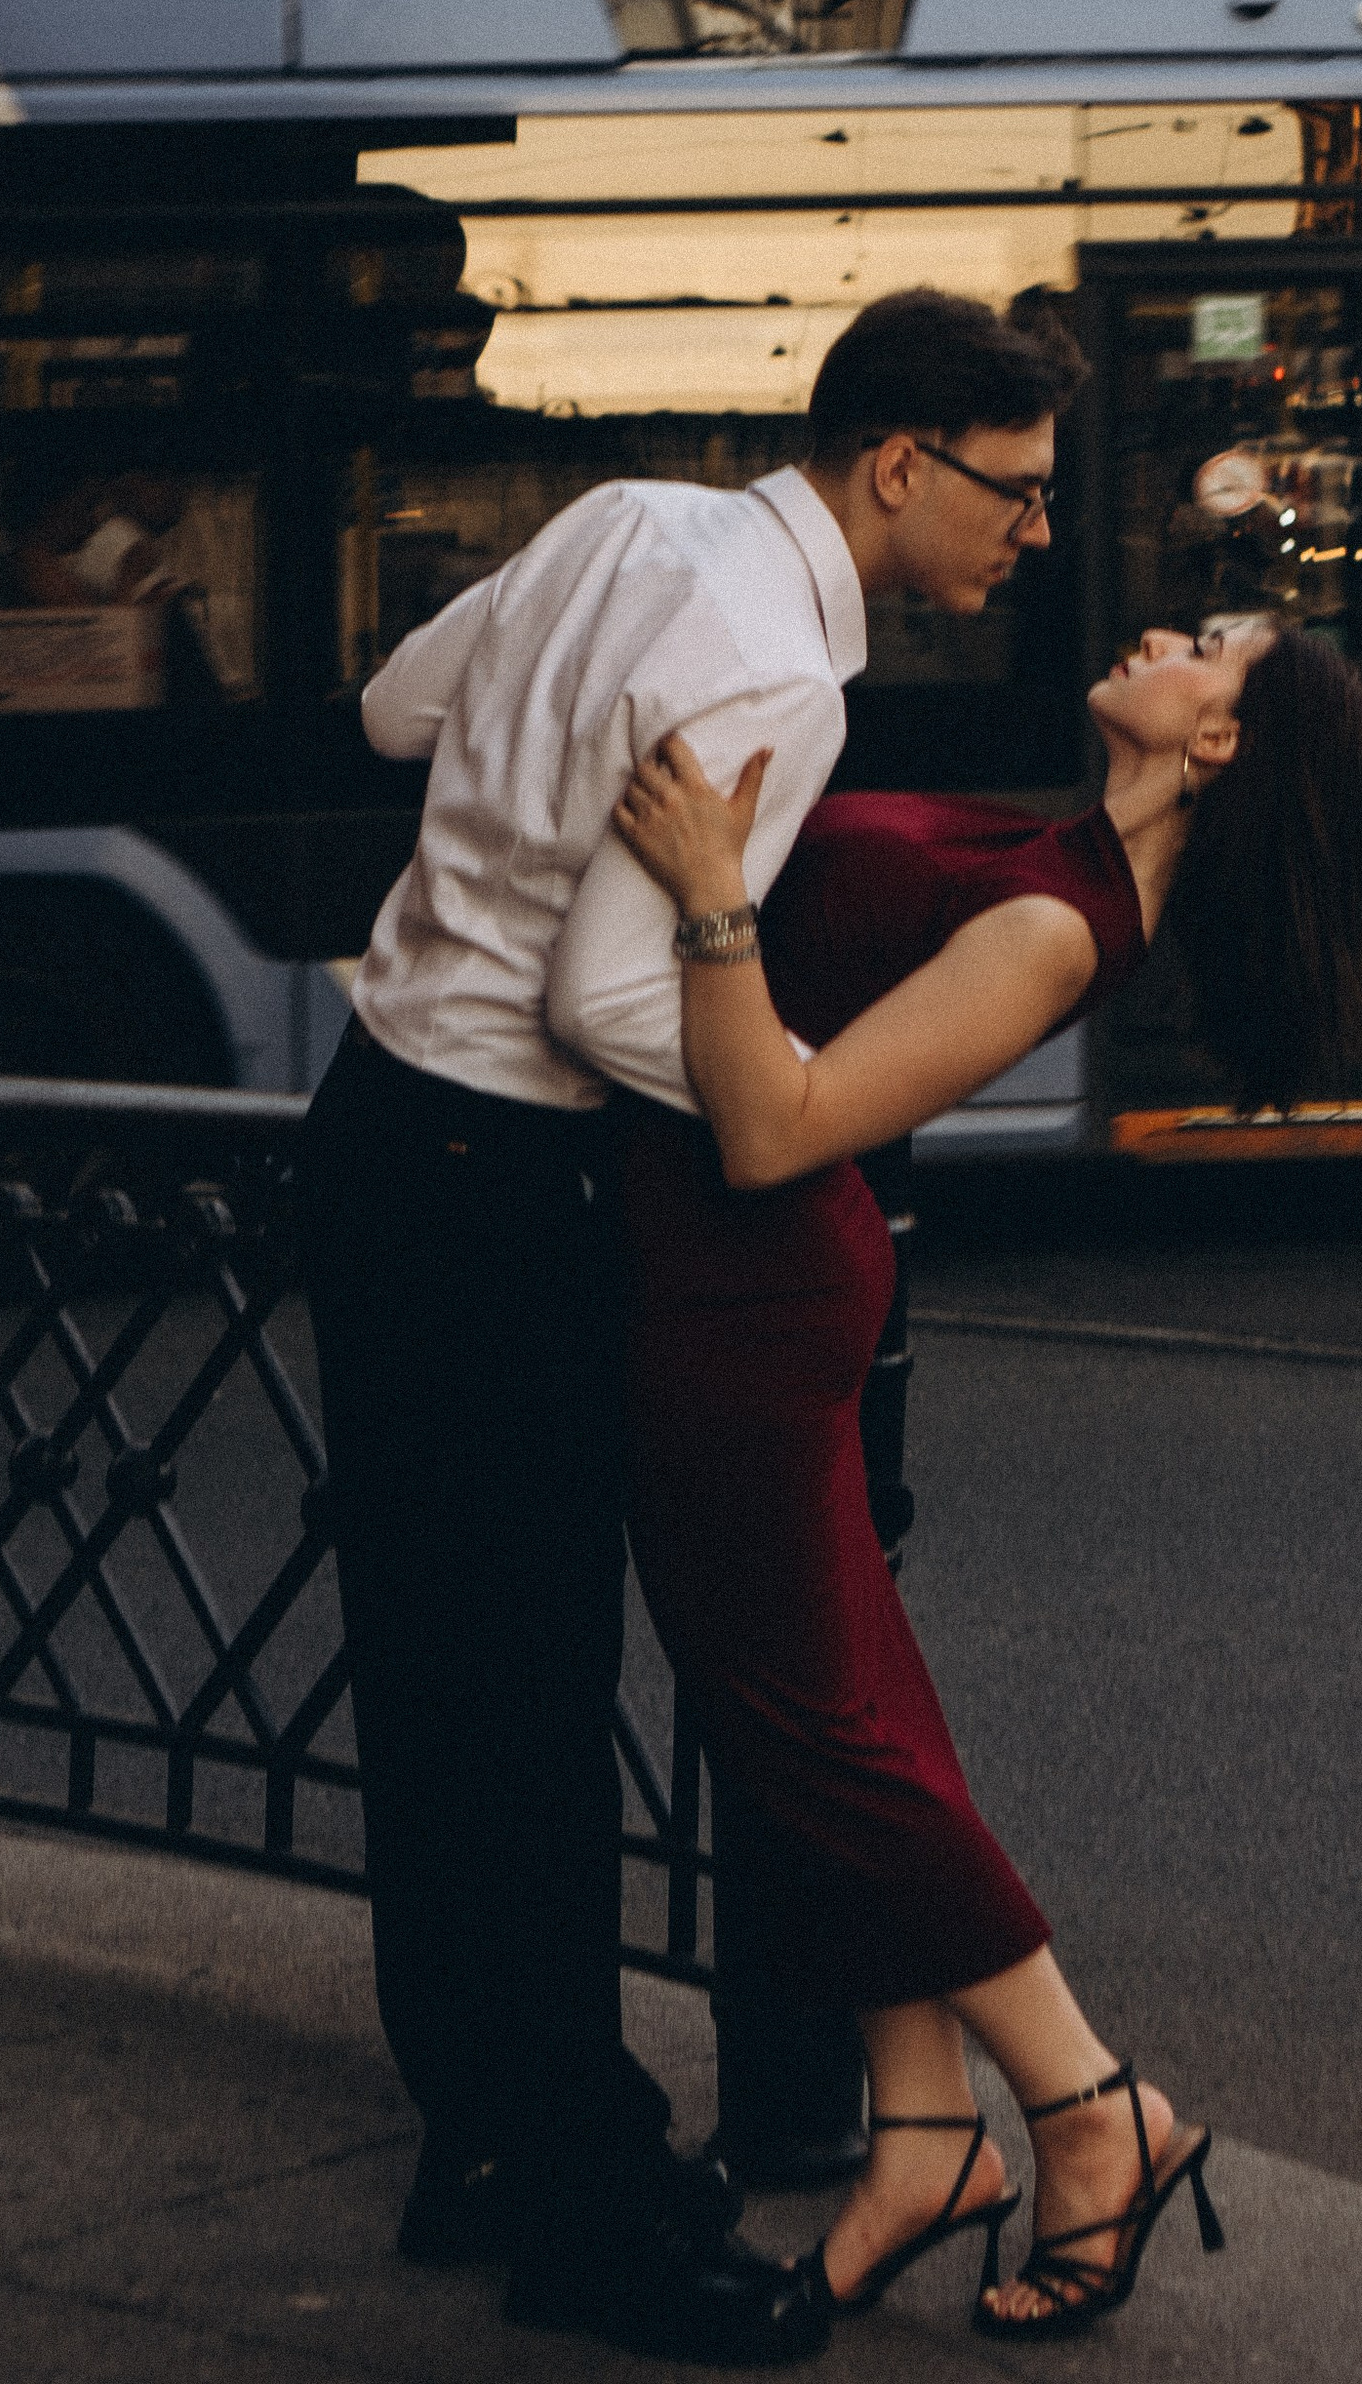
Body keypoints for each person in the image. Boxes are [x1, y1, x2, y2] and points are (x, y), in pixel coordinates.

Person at [293, 287, 1084, 2365]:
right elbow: (604, 1006)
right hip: (494, 1175)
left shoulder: (634, 521)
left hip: (373, 1126)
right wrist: (781, 1061)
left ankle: (478, 2138)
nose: (1031, 538)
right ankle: (586, 2213)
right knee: (536, 1714)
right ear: (896, 462)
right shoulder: (775, 668)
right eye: (1009, 494)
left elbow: (394, 705)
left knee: (446, 1694)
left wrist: (526, 801)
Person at [607, 611, 1362, 2342]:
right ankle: (932, 2128)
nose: (1167, 632)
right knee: (836, 1720)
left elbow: (777, 1126)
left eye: (1215, 646)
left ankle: (1090, 2108)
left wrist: (712, 892)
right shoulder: (1059, 851)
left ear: (1222, 745)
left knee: (817, 1736)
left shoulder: (1058, 924)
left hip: (753, 1299)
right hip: (725, 1295)